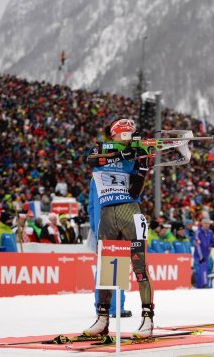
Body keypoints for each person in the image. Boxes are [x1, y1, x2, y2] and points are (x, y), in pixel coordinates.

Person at [83, 118, 154, 338]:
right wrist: (122, 154)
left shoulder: (135, 154)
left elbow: (134, 192)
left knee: (139, 265)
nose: (127, 139)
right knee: (107, 269)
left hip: (129, 210)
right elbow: (91, 160)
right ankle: (102, 319)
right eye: (124, 135)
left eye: (130, 135)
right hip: (107, 213)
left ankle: (147, 319)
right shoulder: (101, 148)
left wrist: (142, 167)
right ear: (114, 136)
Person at [88, 172, 131, 319]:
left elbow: (91, 208)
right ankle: (114, 308)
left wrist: (95, 229)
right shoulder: (125, 172)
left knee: (107, 267)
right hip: (118, 225)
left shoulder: (96, 176)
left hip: (102, 226)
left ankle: (104, 307)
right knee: (117, 264)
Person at [193, 218, 214, 288]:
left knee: (205, 271)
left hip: (206, 256)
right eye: (205, 223)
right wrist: (201, 256)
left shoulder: (210, 232)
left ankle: (204, 285)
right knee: (200, 272)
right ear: (202, 224)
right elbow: (197, 245)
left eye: (208, 224)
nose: (207, 225)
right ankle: (202, 285)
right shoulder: (198, 232)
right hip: (198, 257)